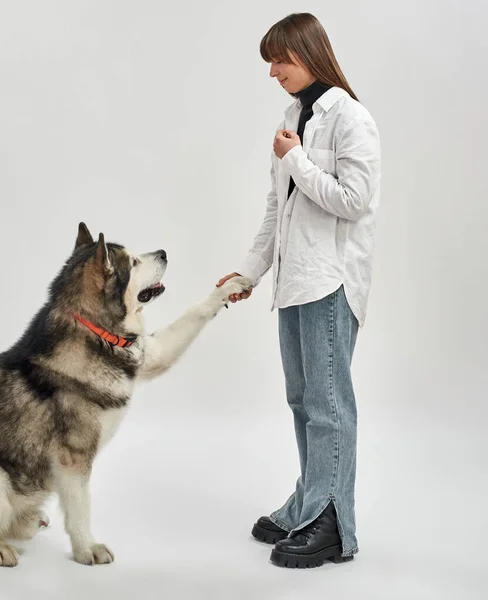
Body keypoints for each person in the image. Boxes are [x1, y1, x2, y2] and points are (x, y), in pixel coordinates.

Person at [217, 13, 381, 569]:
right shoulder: (293, 117)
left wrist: (298, 159)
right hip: (293, 282)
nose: (272, 71)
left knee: (328, 403)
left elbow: (354, 201)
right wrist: (248, 272)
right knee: (301, 400)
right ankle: (308, 503)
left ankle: (332, 524)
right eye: (270, 61)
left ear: (310, 54)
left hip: (331, 282)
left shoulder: (351, 118)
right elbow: (277, 211)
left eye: (280, 59)